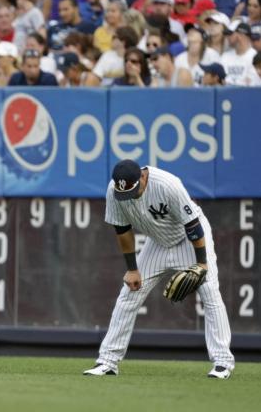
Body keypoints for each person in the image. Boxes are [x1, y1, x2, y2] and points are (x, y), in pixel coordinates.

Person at [83, 159, 235, 379]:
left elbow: (192, 225)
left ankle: (222, 362)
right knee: (128, 295)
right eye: (123, 191)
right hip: (157, 242)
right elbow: (122, 230)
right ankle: (107, 362)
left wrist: (201, 263)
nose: (129, 195)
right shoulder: (115, 192)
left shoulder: (168, 184)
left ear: (143, 177)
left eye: (133, 189)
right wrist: (132, 269)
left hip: (189, 239)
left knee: (209, 291)